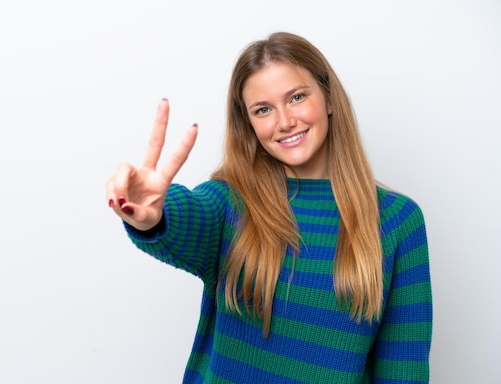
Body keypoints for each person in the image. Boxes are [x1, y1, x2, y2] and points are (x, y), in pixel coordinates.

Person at [106, 32, 432, 384]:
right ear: (249, 123)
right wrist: (154, 214)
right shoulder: (232, 203)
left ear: (329, 99)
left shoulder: (397, 220)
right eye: (263, 110)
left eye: (296, 97)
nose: (284, 122)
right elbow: (191, 215)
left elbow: (404, 370)